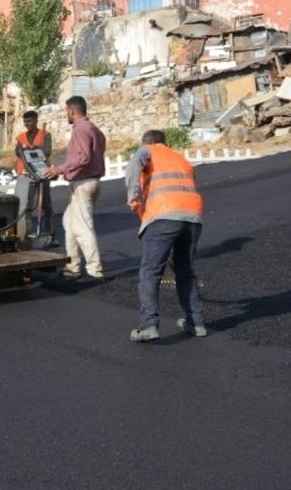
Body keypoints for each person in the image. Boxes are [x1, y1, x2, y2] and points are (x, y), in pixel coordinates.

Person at [124, 129, 206, 342]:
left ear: (148, 142)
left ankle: (148, 325)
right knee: (185, 272)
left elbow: (133, 166)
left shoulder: (147, 150)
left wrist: (133, 195)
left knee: (150, 272)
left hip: (163, 216)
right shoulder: (180, 158)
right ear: (166, 143)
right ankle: (196, 323)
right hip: (193, 218)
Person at [43, 96, 106, 278]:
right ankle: (72, 266)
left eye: (66, 111)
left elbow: (83, 157)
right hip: (90, 181)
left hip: (83, 183)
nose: (66, 115)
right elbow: (96, 152)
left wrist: (60, 169)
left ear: (72, 111)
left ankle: (95, 269)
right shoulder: (94, 129)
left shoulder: (80, 129)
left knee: (82, 227)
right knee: (69, 223)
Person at [15, 110, 54, 245]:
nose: (27, 124)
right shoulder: (20, 137)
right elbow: (18, 152)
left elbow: (46, 151)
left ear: (36, 121)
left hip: (42, 173)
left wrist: (32, 148)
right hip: (25, 174)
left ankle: (50, 235)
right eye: (25, 121)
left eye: (29, 121)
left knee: (46, 205)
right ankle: (25, 236)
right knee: (26, 205)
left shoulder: (46, 135)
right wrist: (31, 149)